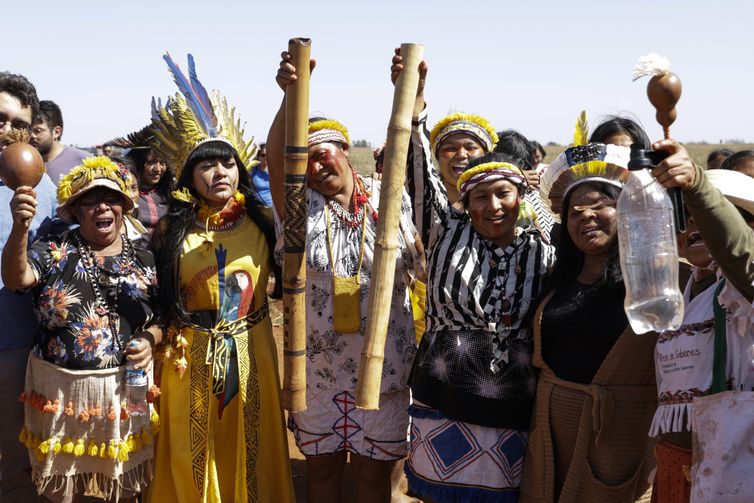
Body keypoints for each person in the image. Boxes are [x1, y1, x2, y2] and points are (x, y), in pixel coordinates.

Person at [391, 54, 554, 501]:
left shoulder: (543, 245)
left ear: (520, 195)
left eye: (503, 194)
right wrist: (414, 100)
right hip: (443, 393)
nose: (492, 206)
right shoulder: (446, 230)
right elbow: (418, 173)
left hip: (513, 398)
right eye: (479, 196)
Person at [268, 53, 418, 503]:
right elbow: (278, 161)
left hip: (384, 364)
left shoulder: (389, 194)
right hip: (318, 369)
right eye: (306, 162)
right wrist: (290, 97)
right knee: (324, 473)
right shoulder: (300, 208)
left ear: (344, 151)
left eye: (321, 155)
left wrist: (414, 93)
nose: (315, 168)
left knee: (373, 480)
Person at [149, 54, 294, 502]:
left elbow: (284, 160)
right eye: (207, 166)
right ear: (189, 178)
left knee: (253, 447)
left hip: (253, 350)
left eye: (228, 164)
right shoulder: (171, 231)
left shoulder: (265, 223)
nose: (220, 173)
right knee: (190, 449)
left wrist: (290, 96)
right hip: (188, 353)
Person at [1, 156, 161, 502]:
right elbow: (16, 278)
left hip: (126, 392)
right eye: (90, 200)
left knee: (124, 484)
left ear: (124, 206)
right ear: (75, 210)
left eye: (111, 198)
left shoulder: (146, 256)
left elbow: (163, 315)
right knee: (62, 488)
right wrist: (20, 227)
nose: (103, 206)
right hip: (62, 396)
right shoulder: (54, 252)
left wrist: (151, 338)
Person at [520, 134, 656, 502]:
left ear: (624, 211)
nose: (586, 217)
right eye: (575, 213)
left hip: (617, 435)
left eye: (599, 206)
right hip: (551, 431)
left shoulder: (654, 280)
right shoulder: (556, 281)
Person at [648, 155, 754, 502]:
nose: (693, 224)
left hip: (735, 467)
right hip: (677, 466)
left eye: (705, 218)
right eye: (685, 217)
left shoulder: (742, 288)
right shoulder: (681, 290)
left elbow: (737, 250)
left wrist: (694, 184)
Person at [0, 71, 58, 503]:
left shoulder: (47, 191)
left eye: (14, 121)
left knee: (17, 459)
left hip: (17, 347)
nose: (4, 129)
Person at [29, 100, 90, 185]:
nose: (31, 135)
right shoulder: (26, 164)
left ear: (56, 132)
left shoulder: (85, 162)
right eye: (29, 130)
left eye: (37, 131)